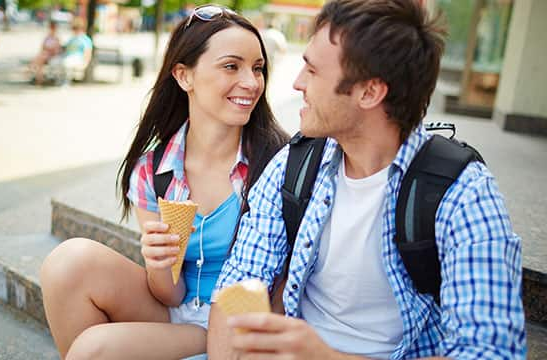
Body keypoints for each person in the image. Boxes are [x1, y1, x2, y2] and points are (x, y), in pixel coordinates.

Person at [208, 0, 526, 359]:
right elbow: (233, 290)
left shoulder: (462, 193)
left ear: (370, 92)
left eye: (312, 72)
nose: (297, 84)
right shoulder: (294, 167)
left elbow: (488, 352)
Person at [40, 5, 288, 359]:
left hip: (241, 324)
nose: (251, 82)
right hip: (178, 313)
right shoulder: (154, 170)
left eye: (258, 68)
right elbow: (169, 294)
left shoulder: (278, 163)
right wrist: (159, 263)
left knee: (93, 350)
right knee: (67, 262)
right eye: (232, 66)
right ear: (184, 76)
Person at [50, 17, 92, 84]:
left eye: (75, 28)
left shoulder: (85, 39)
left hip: (78, 58)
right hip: (67, 56)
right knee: (54, 61)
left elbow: (88, 52)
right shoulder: (72, 39)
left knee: (66, 63)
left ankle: (65, 81)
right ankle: (58, 79)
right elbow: (65, 48)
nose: (74, 31)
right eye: (73, 29)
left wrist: (85, 61)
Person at [29, 20, 61, 85]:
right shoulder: (47, 37)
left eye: (53, 27)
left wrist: (49, 50)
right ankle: (39, 78)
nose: (51, 29)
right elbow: (42, 46)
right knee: (39, 61)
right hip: (44, 54)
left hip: (50, 55)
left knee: (38, 62)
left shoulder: (56, 38)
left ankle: (38, 78)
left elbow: (57, 49)